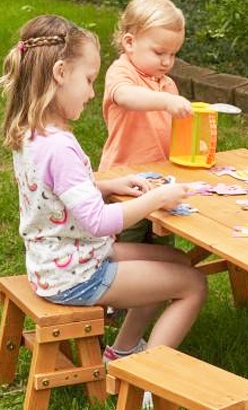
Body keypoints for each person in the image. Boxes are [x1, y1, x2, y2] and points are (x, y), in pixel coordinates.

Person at [0, 15, 207, 408]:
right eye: (89, 80)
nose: (94, 93)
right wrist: (157, 200)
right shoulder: (60, 147)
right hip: (75, 274)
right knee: (193, 285)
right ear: (60, 73)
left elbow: (55, 192)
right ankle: (148, 386)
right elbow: (100, 221)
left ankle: (123, 353)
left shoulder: (33, 130)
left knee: (175, 259)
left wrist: (104, 186)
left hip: (56, 260)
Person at [98, 0, 192, 244]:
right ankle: (128, 280)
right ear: (130, 43)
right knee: (127, 242)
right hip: (125, 181)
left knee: (163, 242)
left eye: (173, 54)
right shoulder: (121, 72)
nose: (166, 62)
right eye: (159, 52)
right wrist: (165, 101)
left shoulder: (167, 84)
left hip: (161, 181)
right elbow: (126, 96)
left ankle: (163, 279)